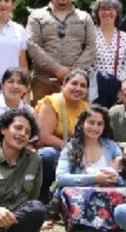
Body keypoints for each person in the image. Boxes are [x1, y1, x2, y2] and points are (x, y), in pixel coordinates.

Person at [26, 0, 96, 101]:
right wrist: (57, 70)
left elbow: (92, 47)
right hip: (44, 82)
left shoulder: (85, 18)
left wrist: (73, 73)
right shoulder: (36, 16)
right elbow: (32, 45)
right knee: (42, 119)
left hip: (76, 84)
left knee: (76, 119)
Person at [35, 70, 90, 200]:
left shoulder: (86, 108)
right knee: (48, 155)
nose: (78, 88)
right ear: (64, 85)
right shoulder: (51, 102)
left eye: (83, 86)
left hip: (73, 150)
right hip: (50, 149)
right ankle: (42, 195)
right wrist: (70, 148)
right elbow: (44, 136)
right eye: (74, 84)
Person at [90, 0, 126, 108]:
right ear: (97, 12)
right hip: (95, 90)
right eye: (103, 8)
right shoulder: (89, 35)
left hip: (118, 90)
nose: (107, 12)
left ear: (117, 12)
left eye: (111, 9)